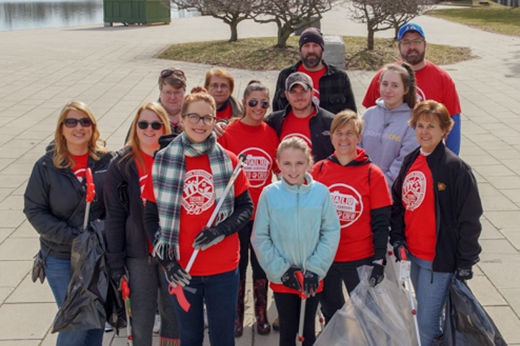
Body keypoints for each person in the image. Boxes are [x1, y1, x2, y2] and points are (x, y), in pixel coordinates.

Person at [143, 87, 254, 346]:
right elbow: (150, 216)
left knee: (222, 337)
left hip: (223, 268)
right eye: (193, 116)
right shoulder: (162, 161)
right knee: (190, 336)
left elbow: (245, 208)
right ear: (181, 119)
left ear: (215, 121)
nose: (200, 124)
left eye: (207, 118)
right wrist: (166, 261)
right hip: (183, 267)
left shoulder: (229, 161)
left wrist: (219, 230)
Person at [391, 100, 482, 346]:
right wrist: (397, 237)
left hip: (438, 260)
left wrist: (466, 261)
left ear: (445, 130)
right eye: (420, 125)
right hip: (413, 255)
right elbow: (399, 202)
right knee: (426, 316)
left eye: (431, 126)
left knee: (426, 324)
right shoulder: (412, 159)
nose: (424, 131)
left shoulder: (455, 168)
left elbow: (470, 218)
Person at [24, 101, 112, 346]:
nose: (78, 127)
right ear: (61, 129)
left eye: (85, 122)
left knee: (95, 321)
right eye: (71, 122)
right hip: (61, 257)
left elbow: (116, 206)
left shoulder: (106, 161)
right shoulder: (46, 166)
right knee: (76, 321)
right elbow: (34, 210)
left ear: (93, 127)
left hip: (97, 257)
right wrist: (74, 237)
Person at [104, 102, 180, 345]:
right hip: (138, 255)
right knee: (141, 319)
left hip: (171, 253)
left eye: (156, 124)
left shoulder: (176, 159)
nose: (150, 129)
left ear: (164, 127)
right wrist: (115, 262)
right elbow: (114, 217)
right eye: (143, 124)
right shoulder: (121, 164)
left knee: (173, 318)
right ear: (135, 127)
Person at [252, 137, 340, 346]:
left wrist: (315, 269)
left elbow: (330, 231)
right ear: (278, 164)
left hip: (311, 277)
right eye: (287, 164)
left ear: (309, 163)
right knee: (288, 330)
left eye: (299, 163)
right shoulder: (270, 194)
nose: (293, 170)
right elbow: (260, 236)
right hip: (283, 278)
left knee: (307, 331)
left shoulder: (320, 193)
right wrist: (281, 270)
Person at [311, 110, 392, 323]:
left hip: (359, 257)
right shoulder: (318, 170)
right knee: (332, 316)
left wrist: (379, 259)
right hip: (327, 257)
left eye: (350, 133)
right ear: (331, 136)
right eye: (338, 132)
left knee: (367, 317)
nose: (344, 138)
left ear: (358, 137)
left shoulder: (372, 173)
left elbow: (382, 221)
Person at [218, 80, 279, 337]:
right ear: (243, 102)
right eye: (253, 102)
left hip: (263, 213)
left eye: (264, 103)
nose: (258, 107)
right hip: (237, 212)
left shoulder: (270, 133)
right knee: (238, 264)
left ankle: (261, 313)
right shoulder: (229, 132)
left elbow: (278, 169)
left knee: (262, 264)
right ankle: (237, 313)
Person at [362, 23, 462, 155]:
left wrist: (451, 163)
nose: (412, 47)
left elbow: (453, 122)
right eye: (406, 42)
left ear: (425, 45)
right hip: (390, 159)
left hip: (429, 157)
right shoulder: (384, 78)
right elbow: (370, 122)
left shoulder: (442, 79)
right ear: (399, 47)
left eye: (417, 41)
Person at [272, 27, 357, 115]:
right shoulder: (286, 75)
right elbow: (277, 113)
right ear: (300, 49)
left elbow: (351, 116)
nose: (311, 50)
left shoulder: (340, 77)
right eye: (306, 46)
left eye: (315, 46)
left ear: (322, 49)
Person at [360, 62, 418, 187]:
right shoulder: (368, 115)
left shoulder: (412, 121)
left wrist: (379, 186)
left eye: (395, 86)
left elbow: (403, 162)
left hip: (391, 194)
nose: (388, 90)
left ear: (406, 89)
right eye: (385, 84)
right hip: (363, 188)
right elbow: (356, 150)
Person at [266, 71, 336, 163]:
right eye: (293, 91)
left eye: (304, 90)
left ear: (312, 92)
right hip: (286, 177)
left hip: (320, 177)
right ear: (287, 95)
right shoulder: (274, 120)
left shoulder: (331, 122)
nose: (299, 96)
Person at [158, 67, 187, 135]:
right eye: (168, 92)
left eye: (177, 92)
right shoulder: (149, 117)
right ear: (160, 92)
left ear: (184, 92)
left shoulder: (195, 115)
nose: (172, 97)